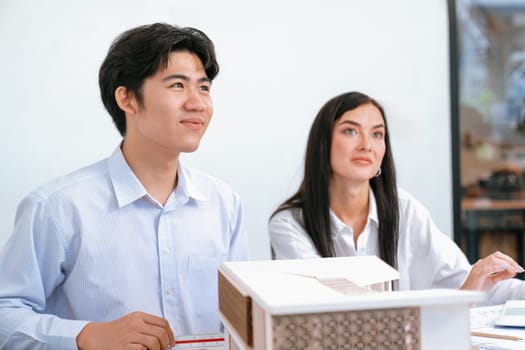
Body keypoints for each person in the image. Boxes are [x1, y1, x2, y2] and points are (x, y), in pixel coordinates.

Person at [0, 23, 249, 350]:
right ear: (127, 98)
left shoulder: (223, 203)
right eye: (177, 85)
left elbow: (242, 318)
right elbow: (6, 314)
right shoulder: (58, 207)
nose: (198, 103)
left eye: (203, 88)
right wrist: (85, 335)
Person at [269, 91, 525, 303]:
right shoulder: (290, 224)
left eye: (377, 134)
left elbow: (472, 282)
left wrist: (481, 280)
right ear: (323, 144)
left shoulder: (406, 210)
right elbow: (332, 310)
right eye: (350, 131)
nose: (366, 145)